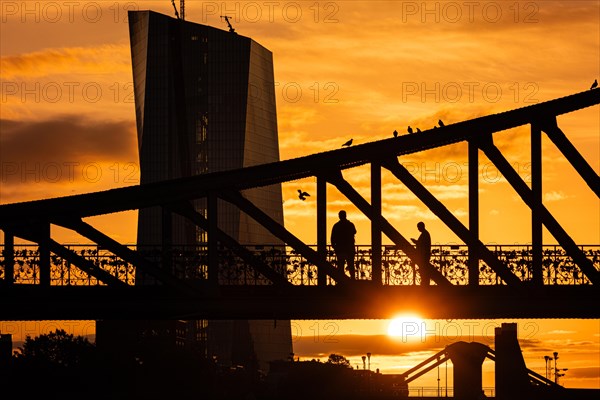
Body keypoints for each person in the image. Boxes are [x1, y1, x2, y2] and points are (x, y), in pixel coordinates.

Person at [331, 210, 357, 279]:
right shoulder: (350, 224)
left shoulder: (336, 225)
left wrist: (334, 246)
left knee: (341, 265)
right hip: (349, 248)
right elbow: (354, 232)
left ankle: (342, 280)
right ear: (345, 216)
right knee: (351, 264)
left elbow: (333, 237)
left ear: (339, 216)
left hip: (340, 248)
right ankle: (352, 279)